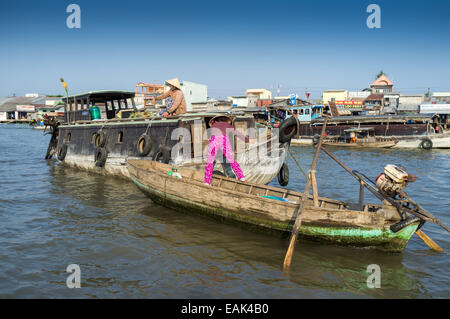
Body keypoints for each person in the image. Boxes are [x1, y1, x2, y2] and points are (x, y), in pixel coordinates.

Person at [204, 116, 248, 185]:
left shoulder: (213, 125)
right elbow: (237, 133)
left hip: (214, 140)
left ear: (215, 120)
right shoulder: (227, 125)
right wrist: (247, 140)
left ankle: (207, 181)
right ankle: (241, 177)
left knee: (210, 162)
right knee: (231, 159)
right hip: (223, 140)